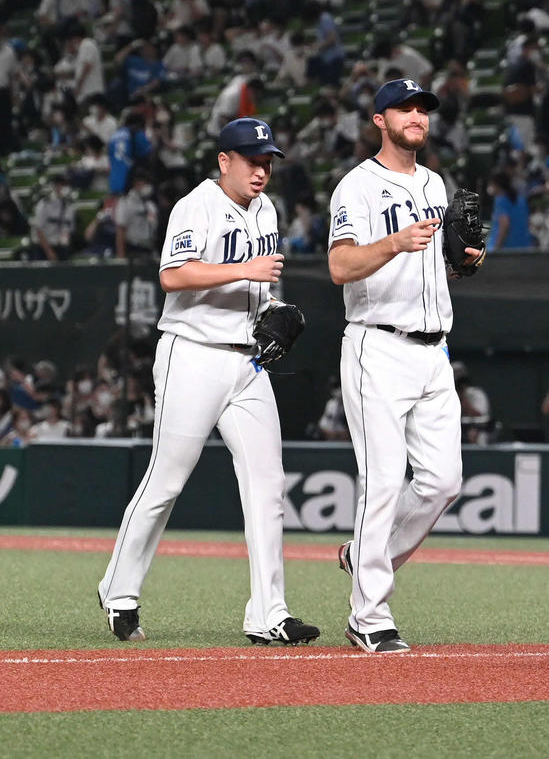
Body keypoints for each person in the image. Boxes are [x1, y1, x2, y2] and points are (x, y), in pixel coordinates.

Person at [96, 118, 319, 647]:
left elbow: (261, 285)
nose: (261, 171)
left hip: (247, 363)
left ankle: (269, 613)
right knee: (167, 481)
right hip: (192, 355)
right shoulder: (196, 205)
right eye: (251, 161)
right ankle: (118, 590)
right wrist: (246, 271)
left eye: (267, 163)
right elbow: (173, 275)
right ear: (224, 161)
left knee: (268, 484)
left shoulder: (266, 209)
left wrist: (278, 308)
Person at [328, 78, 484, 654]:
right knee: (383, 479)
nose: (416, 116)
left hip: (434, 349)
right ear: (380, 120)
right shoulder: (357, 187)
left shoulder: (435, 184)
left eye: (423, 109)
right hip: (378, 344)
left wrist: (463, 262)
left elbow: (437, 265)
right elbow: (340, 266)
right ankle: (368, 615)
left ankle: (366, 556)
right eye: (404, 109)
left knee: (443, 481)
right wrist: (394, 242)